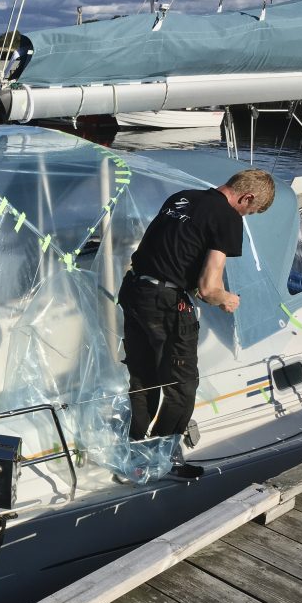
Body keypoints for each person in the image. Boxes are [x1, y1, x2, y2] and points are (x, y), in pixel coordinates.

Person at [118, 168, 275, 443]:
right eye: (250, 212)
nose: (244, 217)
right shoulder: (227, 217)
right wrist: (227, 299)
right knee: (182, 387)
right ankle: (162, 455)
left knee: (144, 378)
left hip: (134, 290)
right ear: (247, 198)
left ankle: (134, 448)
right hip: (165, 303)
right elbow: (207, 289)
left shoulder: (183, 198)